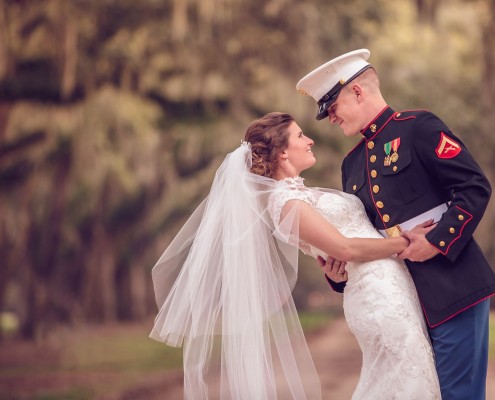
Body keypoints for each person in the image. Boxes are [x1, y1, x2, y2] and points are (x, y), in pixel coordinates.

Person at [149, 111, 441, 399]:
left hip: (390, 287)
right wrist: (405, 241)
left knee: (401, 376)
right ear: (283, 154)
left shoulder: (299, 195)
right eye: (301, 136)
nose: (310, 140)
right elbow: (345, 248)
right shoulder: (286, 204)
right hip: (377, 297)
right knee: (406, 378)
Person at [296, 48, 495, 399]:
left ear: (357, 91)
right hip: (399, 305)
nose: (330, 119)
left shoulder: (419, 127)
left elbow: (474, 188)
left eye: (332, 108)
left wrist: (436, 240)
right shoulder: (351, 164)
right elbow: (362, 233)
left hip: (453, 288)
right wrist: (337, 274)